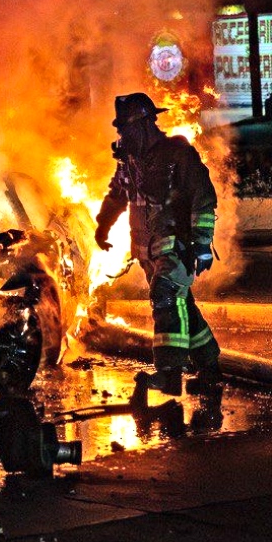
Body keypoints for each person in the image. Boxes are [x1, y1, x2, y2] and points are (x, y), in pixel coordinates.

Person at [94, 93, 221, 395]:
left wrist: (203, 244)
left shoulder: (178, 154)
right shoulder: (130, 160)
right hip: (146, 250)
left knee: (165, 297)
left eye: (126, 128)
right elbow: (118, 194)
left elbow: (203, 198)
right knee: (182, 305)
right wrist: (103, 225)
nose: (123, 135)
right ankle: (210, 368)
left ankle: (169, 374)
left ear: (145, 124)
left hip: (177, 245)